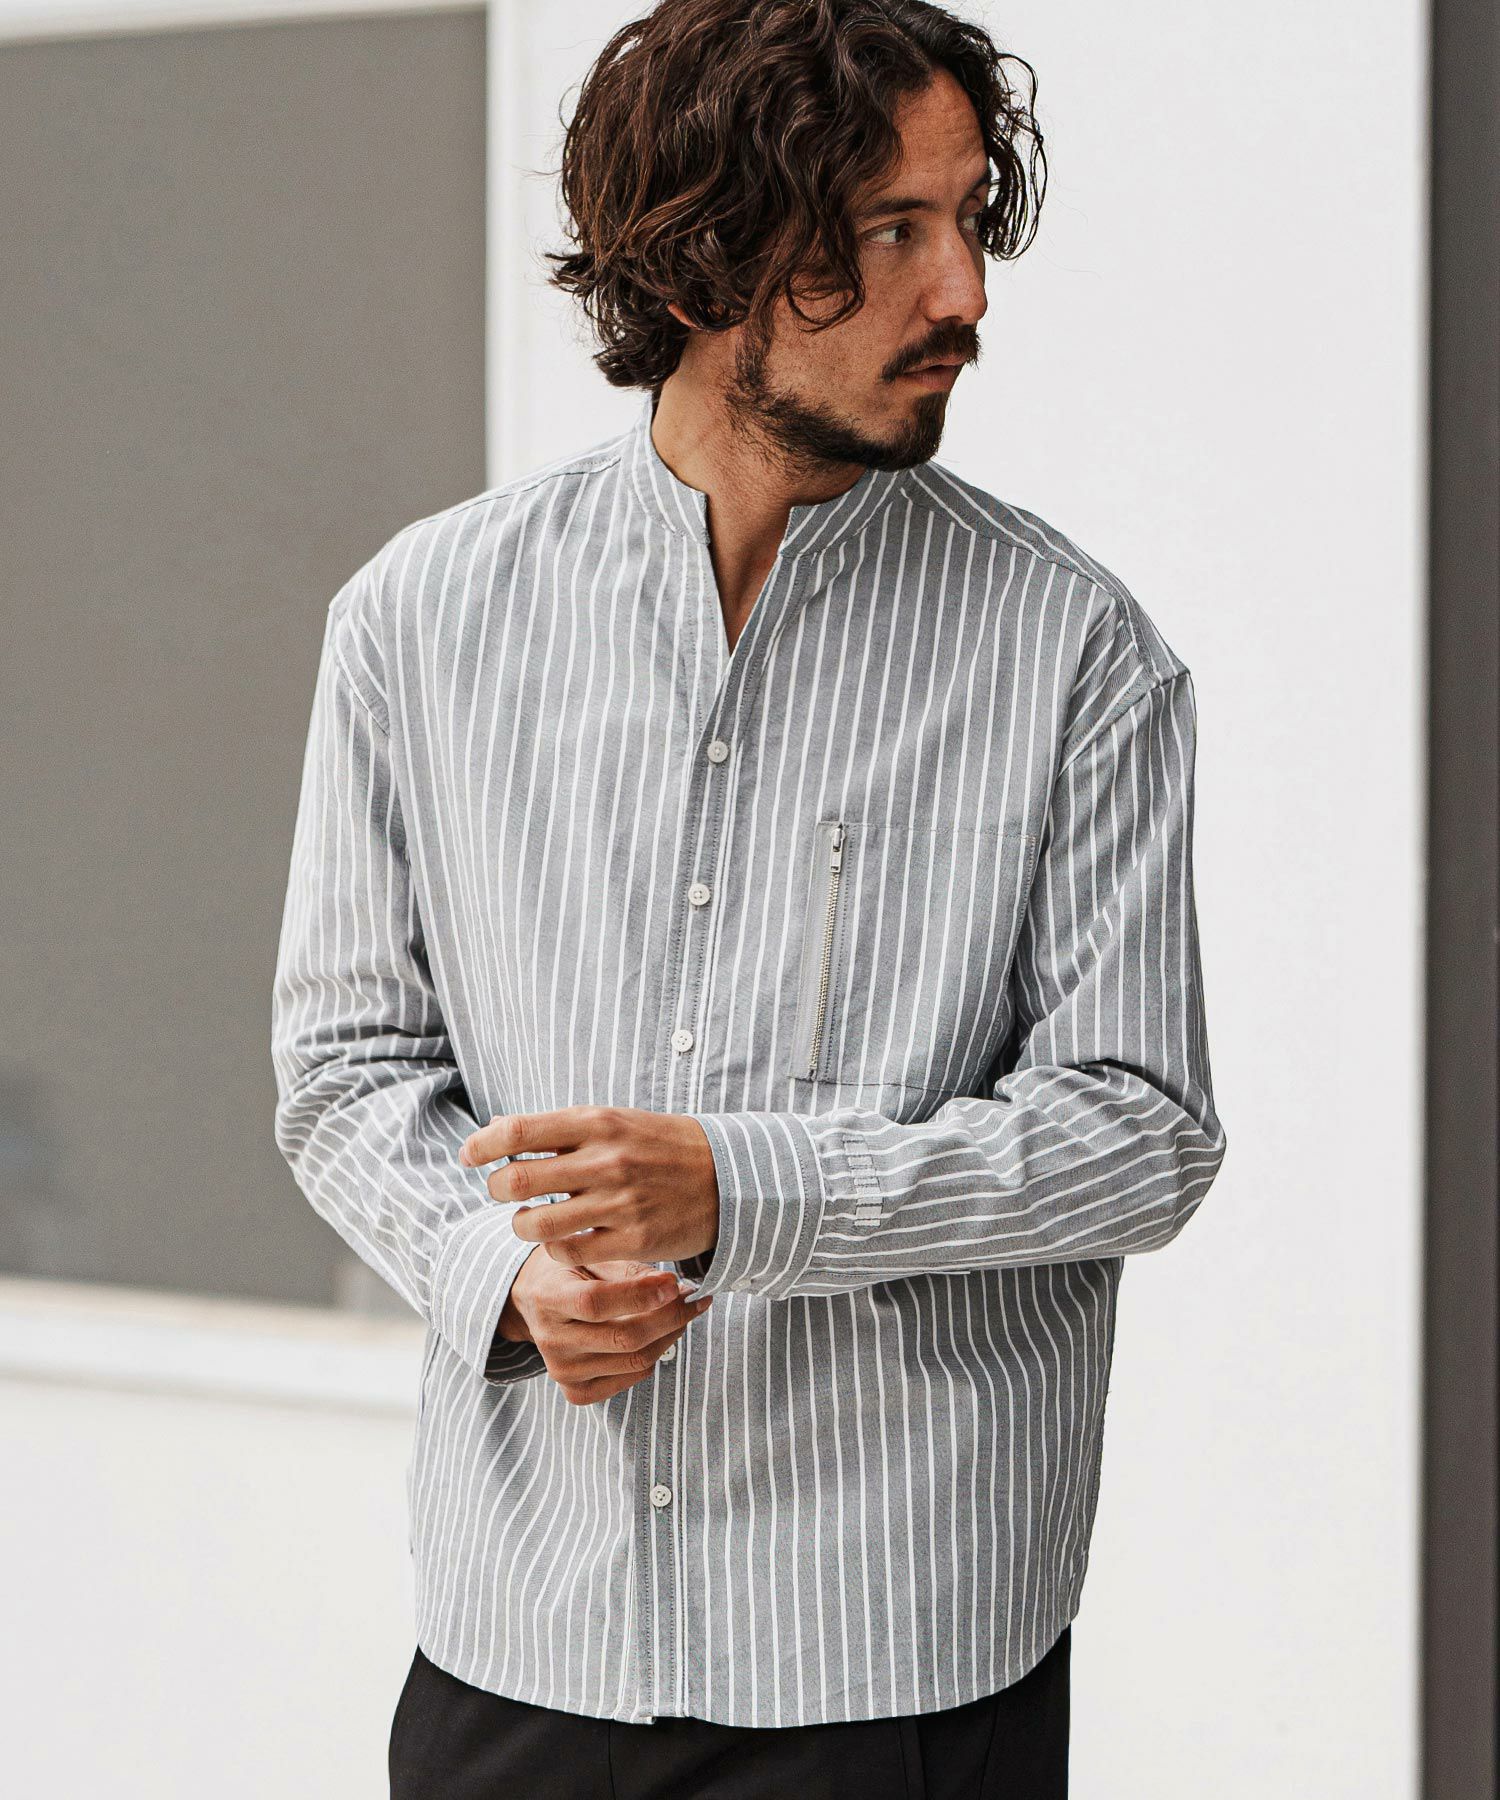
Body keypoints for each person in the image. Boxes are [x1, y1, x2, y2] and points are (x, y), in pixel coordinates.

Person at [270, 1, 1228, 1794]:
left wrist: (749, 1189)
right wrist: (499, 1274)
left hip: (897, 1663)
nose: (965, 291)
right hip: (522, 1642)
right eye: (890, 230)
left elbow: (1142, 1133)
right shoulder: (421, 620)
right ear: (708, 254)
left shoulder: (1078, 653)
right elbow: (346, 1072)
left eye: (967, 217)